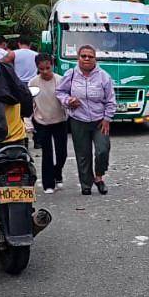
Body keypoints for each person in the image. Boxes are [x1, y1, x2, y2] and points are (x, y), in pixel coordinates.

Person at [55, 43, 118, 195]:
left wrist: (107, 118)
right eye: (83, 56)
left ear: (95, 59)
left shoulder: (104, 76)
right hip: (78, 119)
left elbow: (111, 100)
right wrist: (68, 100)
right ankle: (86, 184)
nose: (87, 59)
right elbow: (59, 91)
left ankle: (99, 177)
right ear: (78, 58)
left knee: (102, 150)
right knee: (83, 154)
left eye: (90, 56)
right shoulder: (70, 74)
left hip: (99, 120)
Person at [29, 54, 68, 193]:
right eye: (41, 69)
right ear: (37, 68)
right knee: (47, 153)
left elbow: (66, 99)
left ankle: (57, 172)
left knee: (62, 153)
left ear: (52, 65)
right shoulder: (33, 83)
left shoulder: (61, 80)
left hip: (60, 120)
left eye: (47, 68)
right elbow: (30, 104)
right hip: (41, 121)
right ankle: (48, 184)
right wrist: (29, 122)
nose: (45, 71)